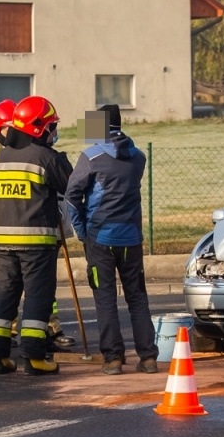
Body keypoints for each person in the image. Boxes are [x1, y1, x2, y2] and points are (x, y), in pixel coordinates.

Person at [66, 104, 158, 374]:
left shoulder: (90, 157)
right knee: (138, 297)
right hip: (131, 239)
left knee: (105, 299)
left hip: (100, 239)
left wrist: (82, 232)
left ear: (98, 125)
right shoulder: (138, 157)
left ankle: (114, 359)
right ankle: (148, 357)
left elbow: (73, 195)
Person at [0, 95, 73, 375]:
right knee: (38, 295)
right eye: (51, 126)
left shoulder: (3, 157)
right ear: (39, 128)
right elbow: (71, 187)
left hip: (3, 242)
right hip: (36, 242)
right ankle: (35, 357)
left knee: (5, 294)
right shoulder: (46, 157)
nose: (53, 132)